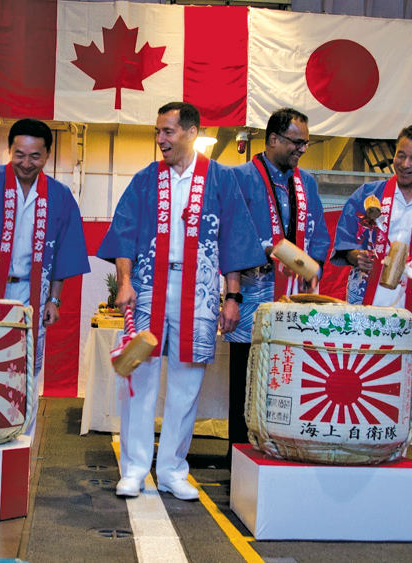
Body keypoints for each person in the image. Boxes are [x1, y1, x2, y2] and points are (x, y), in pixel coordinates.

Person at [97, 102, 264, 500]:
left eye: (168, 132)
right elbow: (124, 232)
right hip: (150, 286)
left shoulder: (220, 179)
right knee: (140, 376)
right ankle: (135, 469)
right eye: (158, 132)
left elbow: (235, 241)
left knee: (188, 382)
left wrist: (233, 296)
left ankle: (172, 469)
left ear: (191, 132)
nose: (160, 140)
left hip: (202, 289)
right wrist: (124, 281)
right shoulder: (144, 180)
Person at [0, 118, 90, 432]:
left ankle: (22, 443)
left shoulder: (61, 196)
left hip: (32, 294)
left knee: (25, 371)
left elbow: (64, 253)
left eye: (34, 156)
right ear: (10, 150)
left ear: (47, 155)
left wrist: (54, 299)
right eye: (19, 154)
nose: (26, 163)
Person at [225, 108, 330, 453]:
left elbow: (318, 239)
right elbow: (229, 237)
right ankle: (240, 452)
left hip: (295, 298)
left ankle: (284, 447)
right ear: (273, 139)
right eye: (296, 142)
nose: (302, 149)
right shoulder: (240, 178)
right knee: (247, 375)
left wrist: (313, 269)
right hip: (253, 294)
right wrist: (262, 251)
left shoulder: (307, 184)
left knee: (289, 374)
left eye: (306, 143)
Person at [332, 125, 412, 333]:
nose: (405, 164)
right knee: (358, 360)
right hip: (366, 293)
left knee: (406, 361)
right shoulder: (368, 194)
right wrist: (355, 256)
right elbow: (346, 239)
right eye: (401, 156)